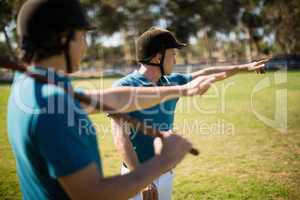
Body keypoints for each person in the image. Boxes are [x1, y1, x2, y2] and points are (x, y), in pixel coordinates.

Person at [7, 1, 228, 199]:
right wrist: (164, 161)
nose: (85, 46)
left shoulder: (29, 86)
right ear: (63, 38)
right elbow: (92, 194)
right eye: (83, 36)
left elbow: (114, 98)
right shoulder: (51, 104)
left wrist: (180, 90)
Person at [112, 27, 267, 200]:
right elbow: (120, 138)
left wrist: (244, 67)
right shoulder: (123, 86)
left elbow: (207, 73)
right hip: (134, 177)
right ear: (158, 57)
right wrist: (141, 179)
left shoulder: (173, 81)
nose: (175, 60)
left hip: (165, 174)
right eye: (172, 54)